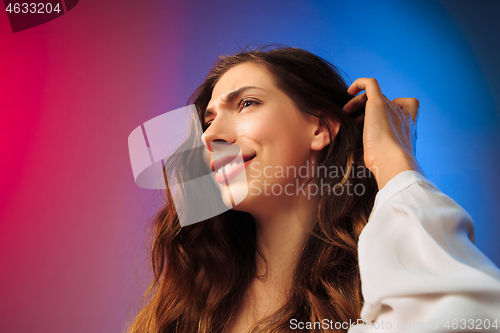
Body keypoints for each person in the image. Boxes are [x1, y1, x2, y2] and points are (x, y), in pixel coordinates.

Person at [126, 47, 500, 332]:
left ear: (320, 129)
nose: (209, 136)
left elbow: (468, 318)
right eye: (208, 120)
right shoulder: (184, 307)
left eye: (246, 103)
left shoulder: (372, 293)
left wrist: (394, 161)